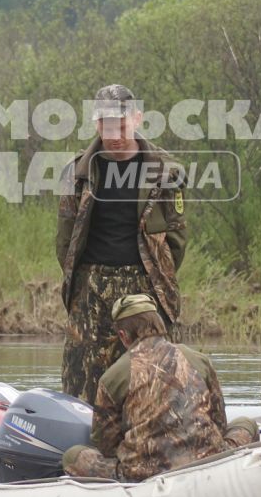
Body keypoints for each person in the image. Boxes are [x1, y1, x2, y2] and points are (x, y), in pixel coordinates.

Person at [56, 83, 188, 405]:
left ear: (138, 119)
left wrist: (156, 278)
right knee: (81, 386)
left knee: (154, 384)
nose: (113, 132)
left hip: (144, 285)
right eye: (105, 124)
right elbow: (65, 240)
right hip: (91, 288)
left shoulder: (168, 172)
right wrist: (81, 288)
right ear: (96, 124)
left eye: (120, 122)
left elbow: (177, 238)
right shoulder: (76, 173)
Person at [62, 295, 257, 481]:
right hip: (208, 458)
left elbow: (105, 444)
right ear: (159, 324)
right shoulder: (198, 360)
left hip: (143, 473)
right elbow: (219, 422)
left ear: (122, 335)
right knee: (246, 424)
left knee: (72, 456)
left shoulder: (113, 376)